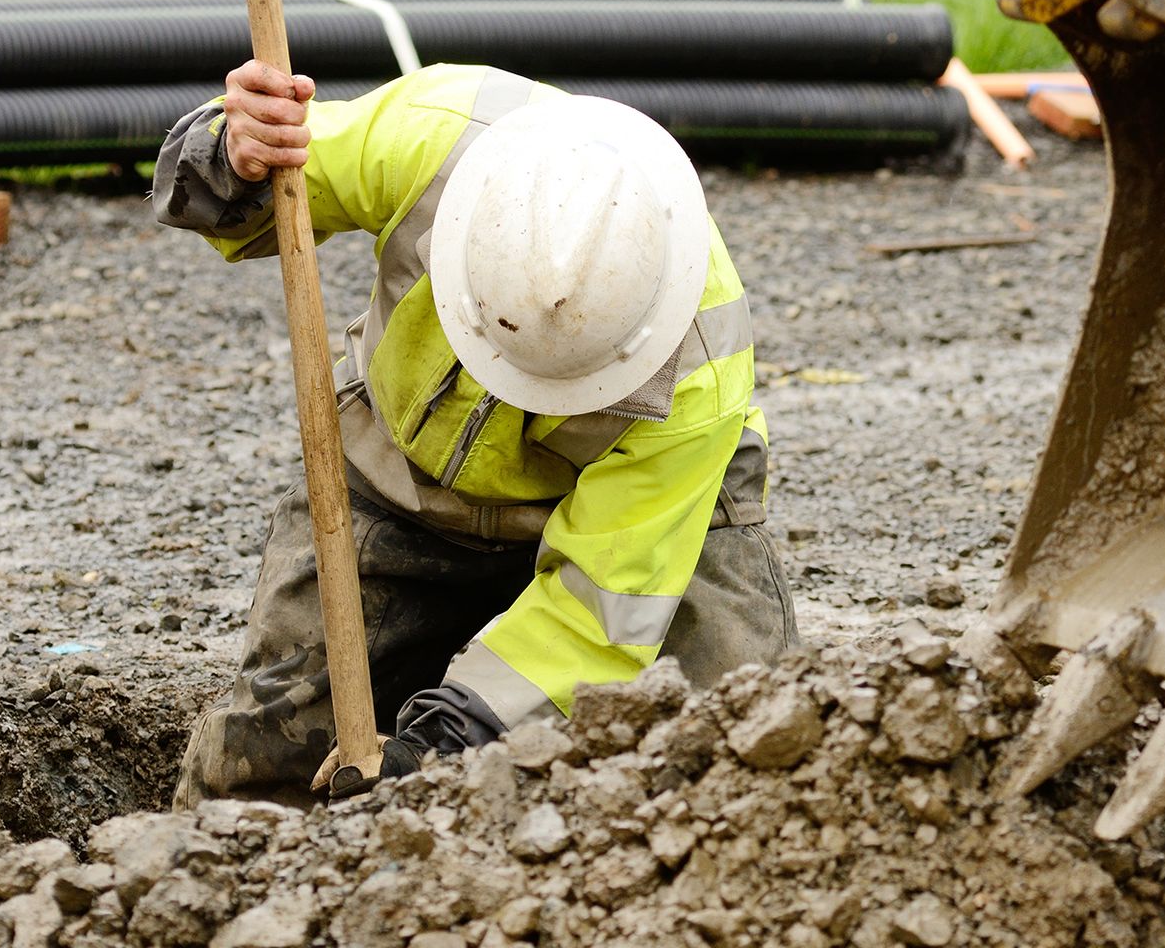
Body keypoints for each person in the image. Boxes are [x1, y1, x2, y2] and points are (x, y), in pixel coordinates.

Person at [152, 60, 796, 806]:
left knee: (732, 760)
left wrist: (433, 751)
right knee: (264, 773)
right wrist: (235, 155)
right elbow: (260, 186)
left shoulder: (698, 374)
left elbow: (601, 617)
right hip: (400, 483)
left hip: (646, 529)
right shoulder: (435, 139)